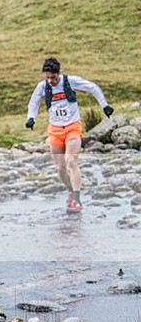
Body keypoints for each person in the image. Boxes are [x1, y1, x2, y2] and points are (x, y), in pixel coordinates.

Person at [26, 58, 113, 213]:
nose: (50, 81)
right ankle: (71, 191)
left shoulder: (70, 81)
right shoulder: (43, 87)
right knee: (60, 168)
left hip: (72, 127)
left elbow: (92, 87)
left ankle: (78, 200)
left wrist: (105, 105)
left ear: (59, 73)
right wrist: (31, 118)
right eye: (47, 77)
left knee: (71, 161)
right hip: (55, 130)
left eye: (53, 77)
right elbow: (34, 103)